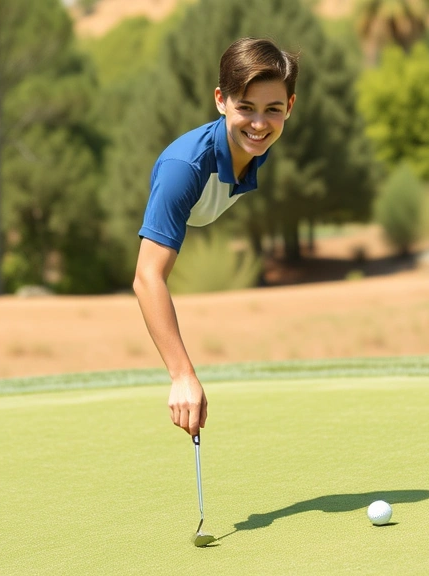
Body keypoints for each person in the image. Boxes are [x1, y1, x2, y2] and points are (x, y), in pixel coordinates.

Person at [133, 37, 299, 436]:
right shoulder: (183, 169)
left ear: (289, 107)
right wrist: (182, 375)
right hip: (181, 186)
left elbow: (259, 129)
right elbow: (146, 278)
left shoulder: (259, 141)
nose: (259, 124)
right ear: (221, 100)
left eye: (272, 110)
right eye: (245, 108)